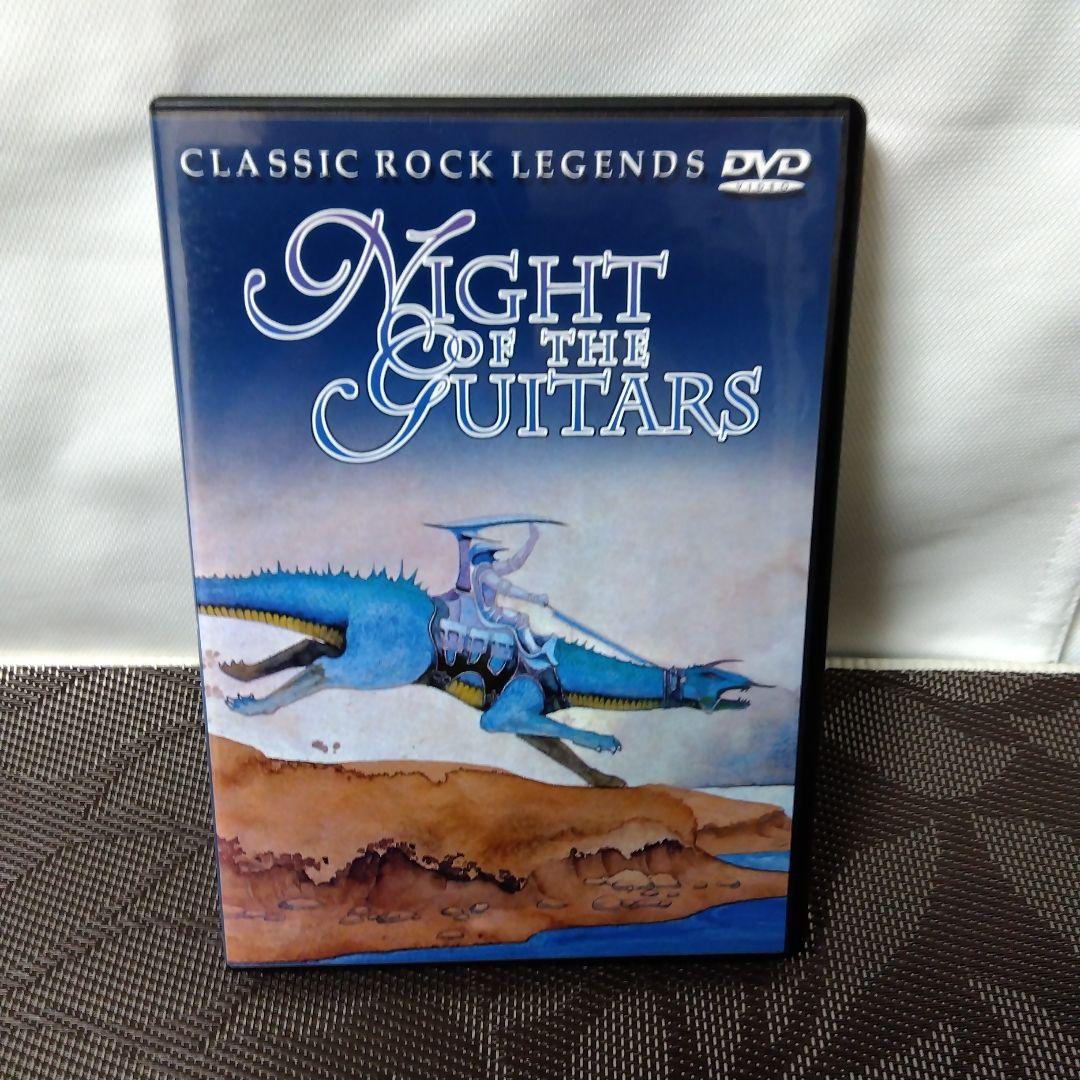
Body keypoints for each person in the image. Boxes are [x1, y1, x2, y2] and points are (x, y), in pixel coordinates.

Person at [469, 524, 552, 660]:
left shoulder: (486, 569)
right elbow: (505, 588)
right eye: (490, 554)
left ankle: (532, 644)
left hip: (492, 611)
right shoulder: (484, 572)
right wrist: (535, 598)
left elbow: (514, 563)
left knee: (522, 618)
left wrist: (532, 540)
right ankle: (533, 652)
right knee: (521, 619)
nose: (493, 557)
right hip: (489, 614)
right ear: (483, 556)